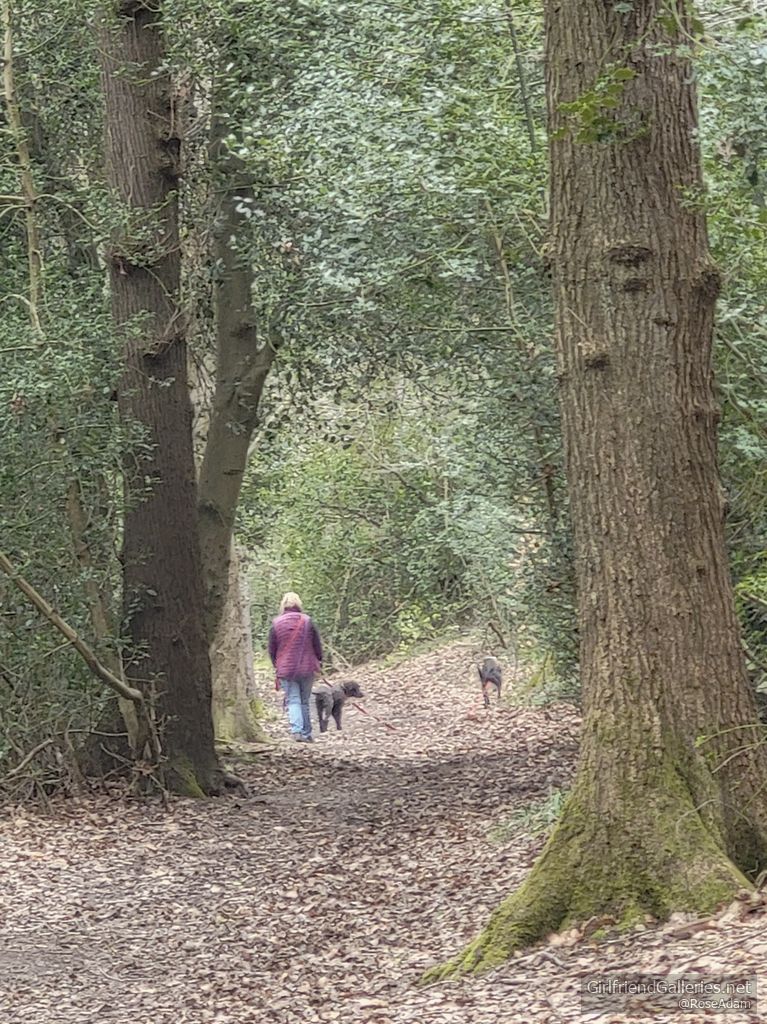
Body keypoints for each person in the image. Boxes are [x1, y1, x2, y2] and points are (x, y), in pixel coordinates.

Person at [267, 592, 323, 743]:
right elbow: (317, 644)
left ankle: (296, 731)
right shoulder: (307, 621)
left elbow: (272, 649)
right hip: (307, 667)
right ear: (299, 604)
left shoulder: (276, 623)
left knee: (293, 700)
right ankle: (306, 733)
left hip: (286, 669)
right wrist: (319, 661)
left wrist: (276, 665)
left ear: (283, 605)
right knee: (304, 700)